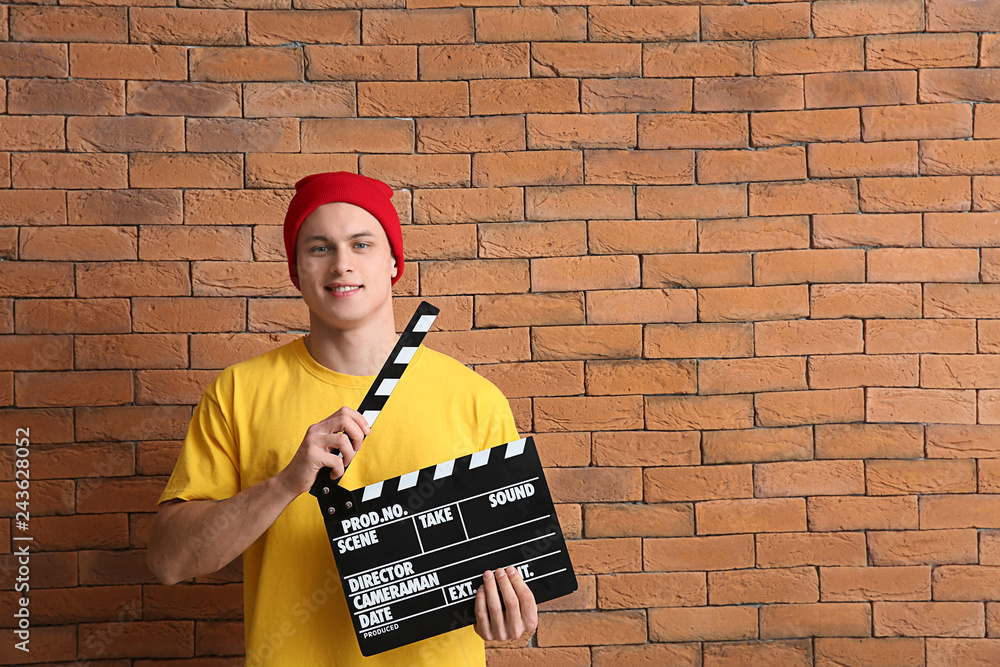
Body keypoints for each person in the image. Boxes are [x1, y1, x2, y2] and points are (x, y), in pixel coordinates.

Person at [147, 172, 538, 665]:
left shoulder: (475, 400)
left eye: (361, 244)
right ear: (295, 269)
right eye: (319, 248)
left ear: (394, 261)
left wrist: (511, 613)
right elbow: (168, 561)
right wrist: (285, 483)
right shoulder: (238, 393)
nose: (342, 264)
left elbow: (514, 576)